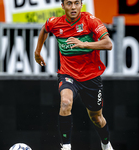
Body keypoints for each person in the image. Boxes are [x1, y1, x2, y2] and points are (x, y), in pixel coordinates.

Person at [34, 0, 113, 150]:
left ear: (81, 5)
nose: (73, 7)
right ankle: (66, 147)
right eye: (69, 3)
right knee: (65, 103)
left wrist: (85, 44)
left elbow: (108, 44)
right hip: (68, 74)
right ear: (62, 6)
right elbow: (45, 29)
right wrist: (38, 52)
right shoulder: (55, 23)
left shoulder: (91, 21)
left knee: (97, 118)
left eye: (76, 3)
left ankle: (106, 144)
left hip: (91, 78)